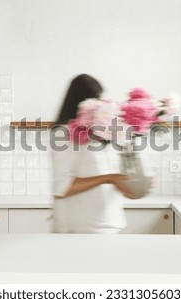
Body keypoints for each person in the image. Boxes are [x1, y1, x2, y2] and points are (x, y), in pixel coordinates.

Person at [50, 74, 134, 234]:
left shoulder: (100, 134)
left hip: (110, 223)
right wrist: (108, 178)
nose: (100, 104)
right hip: (80, 229)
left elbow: (114, 174)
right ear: (81, 102)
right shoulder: (63, 134)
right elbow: (62, 187)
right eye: (96, 98)